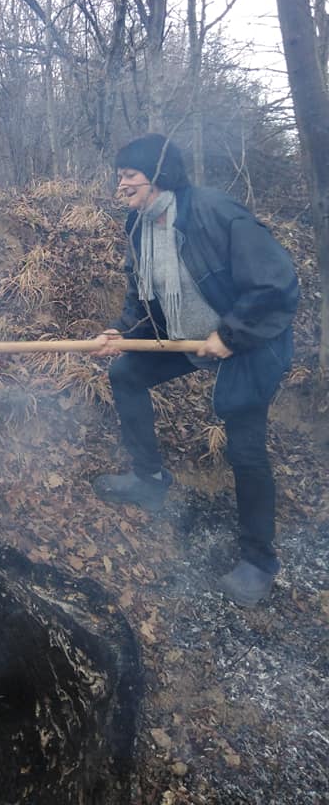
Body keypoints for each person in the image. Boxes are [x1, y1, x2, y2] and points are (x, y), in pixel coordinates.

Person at [91, 134, 299, 607]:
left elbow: (276, 283)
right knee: (126, 374)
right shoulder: (139, 224)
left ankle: (258, 561)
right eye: (118, 177)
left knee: (245, 447)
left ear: (159, 175)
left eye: (129, 176)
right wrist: (119, 331)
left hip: (251, 341)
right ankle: (149, 481)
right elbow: (143, 296)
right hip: (188, 337)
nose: (120, 186)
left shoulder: (212, 212)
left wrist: (232, 334)